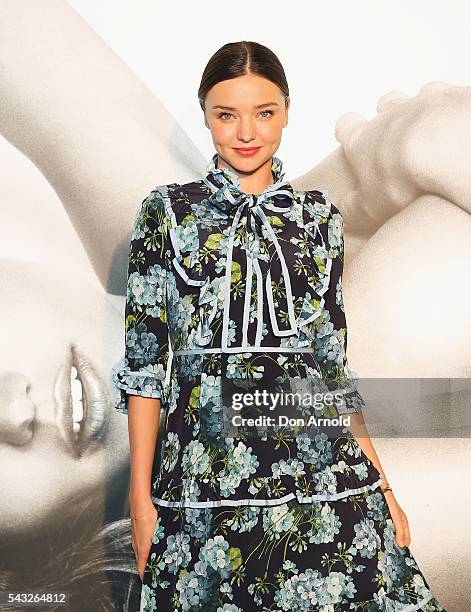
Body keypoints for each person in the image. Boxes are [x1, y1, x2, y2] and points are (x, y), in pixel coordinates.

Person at [112, 41, 445, 612]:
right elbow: (146, 367)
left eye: (264, 113)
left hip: (326, 478)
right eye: (227, 115)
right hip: (206, 484)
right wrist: (141, 502)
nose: (246, 132)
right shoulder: (168, 211)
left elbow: (331, 364)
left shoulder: (318, 218)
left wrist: (380, 483)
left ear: (287, 111)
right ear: (206, 116)